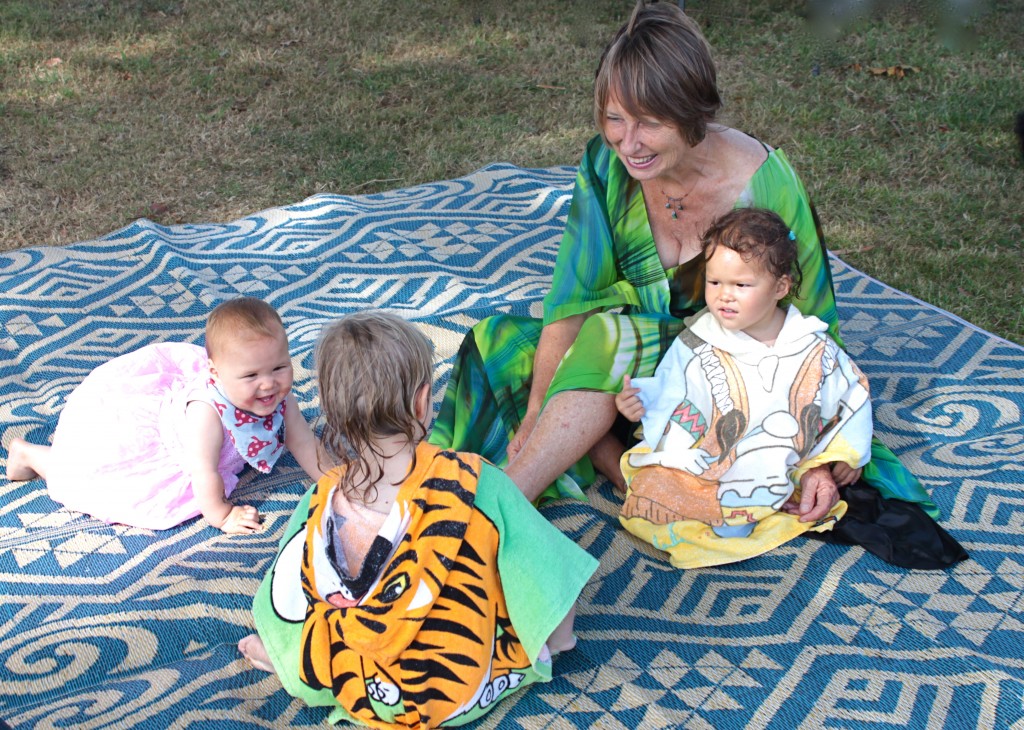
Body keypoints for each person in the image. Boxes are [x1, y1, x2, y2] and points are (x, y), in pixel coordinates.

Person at [428, 0, 937, 521]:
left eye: (648, 123)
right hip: (634, 380)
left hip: (727, 373)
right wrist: (536, 411)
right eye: (613, 119)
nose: (628, 143)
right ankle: (624, 467)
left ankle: (501, 507)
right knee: (501, 345)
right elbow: (573, 295)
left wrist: (817, 457)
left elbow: (814, 326)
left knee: (609, 340)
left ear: (693, 113)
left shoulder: (767, 186)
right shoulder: (607, 164)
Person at [238, 310, 597, 728]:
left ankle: (287, 659)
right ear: (423, 402)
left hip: (361, 686)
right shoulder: (475, 481)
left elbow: (292, 586)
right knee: (534, 554)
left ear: (333, 414)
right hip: (452, 688)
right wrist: (555, 637)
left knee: (299, 597)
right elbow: (541, 566)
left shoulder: (321, 496)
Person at [614, 208, 871, 568]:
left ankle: (756, 502)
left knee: (804, 482)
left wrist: (837, 457)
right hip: (713, 462)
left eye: (742, 285)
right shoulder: (700, 341)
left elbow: (851, 397)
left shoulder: (812, 347)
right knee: (656, 490)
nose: (725, 296)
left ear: (780, 287)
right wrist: (640, 404)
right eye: (715, 282)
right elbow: (676, 396)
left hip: (782, 459)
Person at [6, 297, 322, 533]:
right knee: (86, 477)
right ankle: (28, 453)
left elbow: (303, 440)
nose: (269, 384)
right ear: (217, 373)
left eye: (280, 367)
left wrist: (336, 480)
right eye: (251, 375)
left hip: (205, 440)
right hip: (159, 446)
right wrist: (223, 515)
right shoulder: (207, 415)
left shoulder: (279, 396)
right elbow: (204, 472)